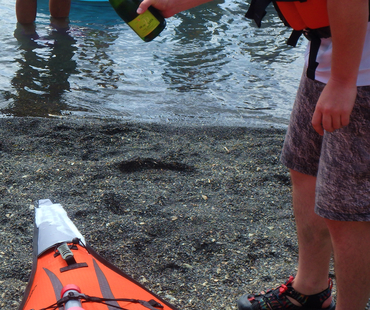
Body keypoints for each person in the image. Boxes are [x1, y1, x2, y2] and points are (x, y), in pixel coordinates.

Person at [137, 0, 370, 309]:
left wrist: (343, 81)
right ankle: (309, 291)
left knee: (347, 209)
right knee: (304, 170)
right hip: (325, 55)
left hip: (358, 68)